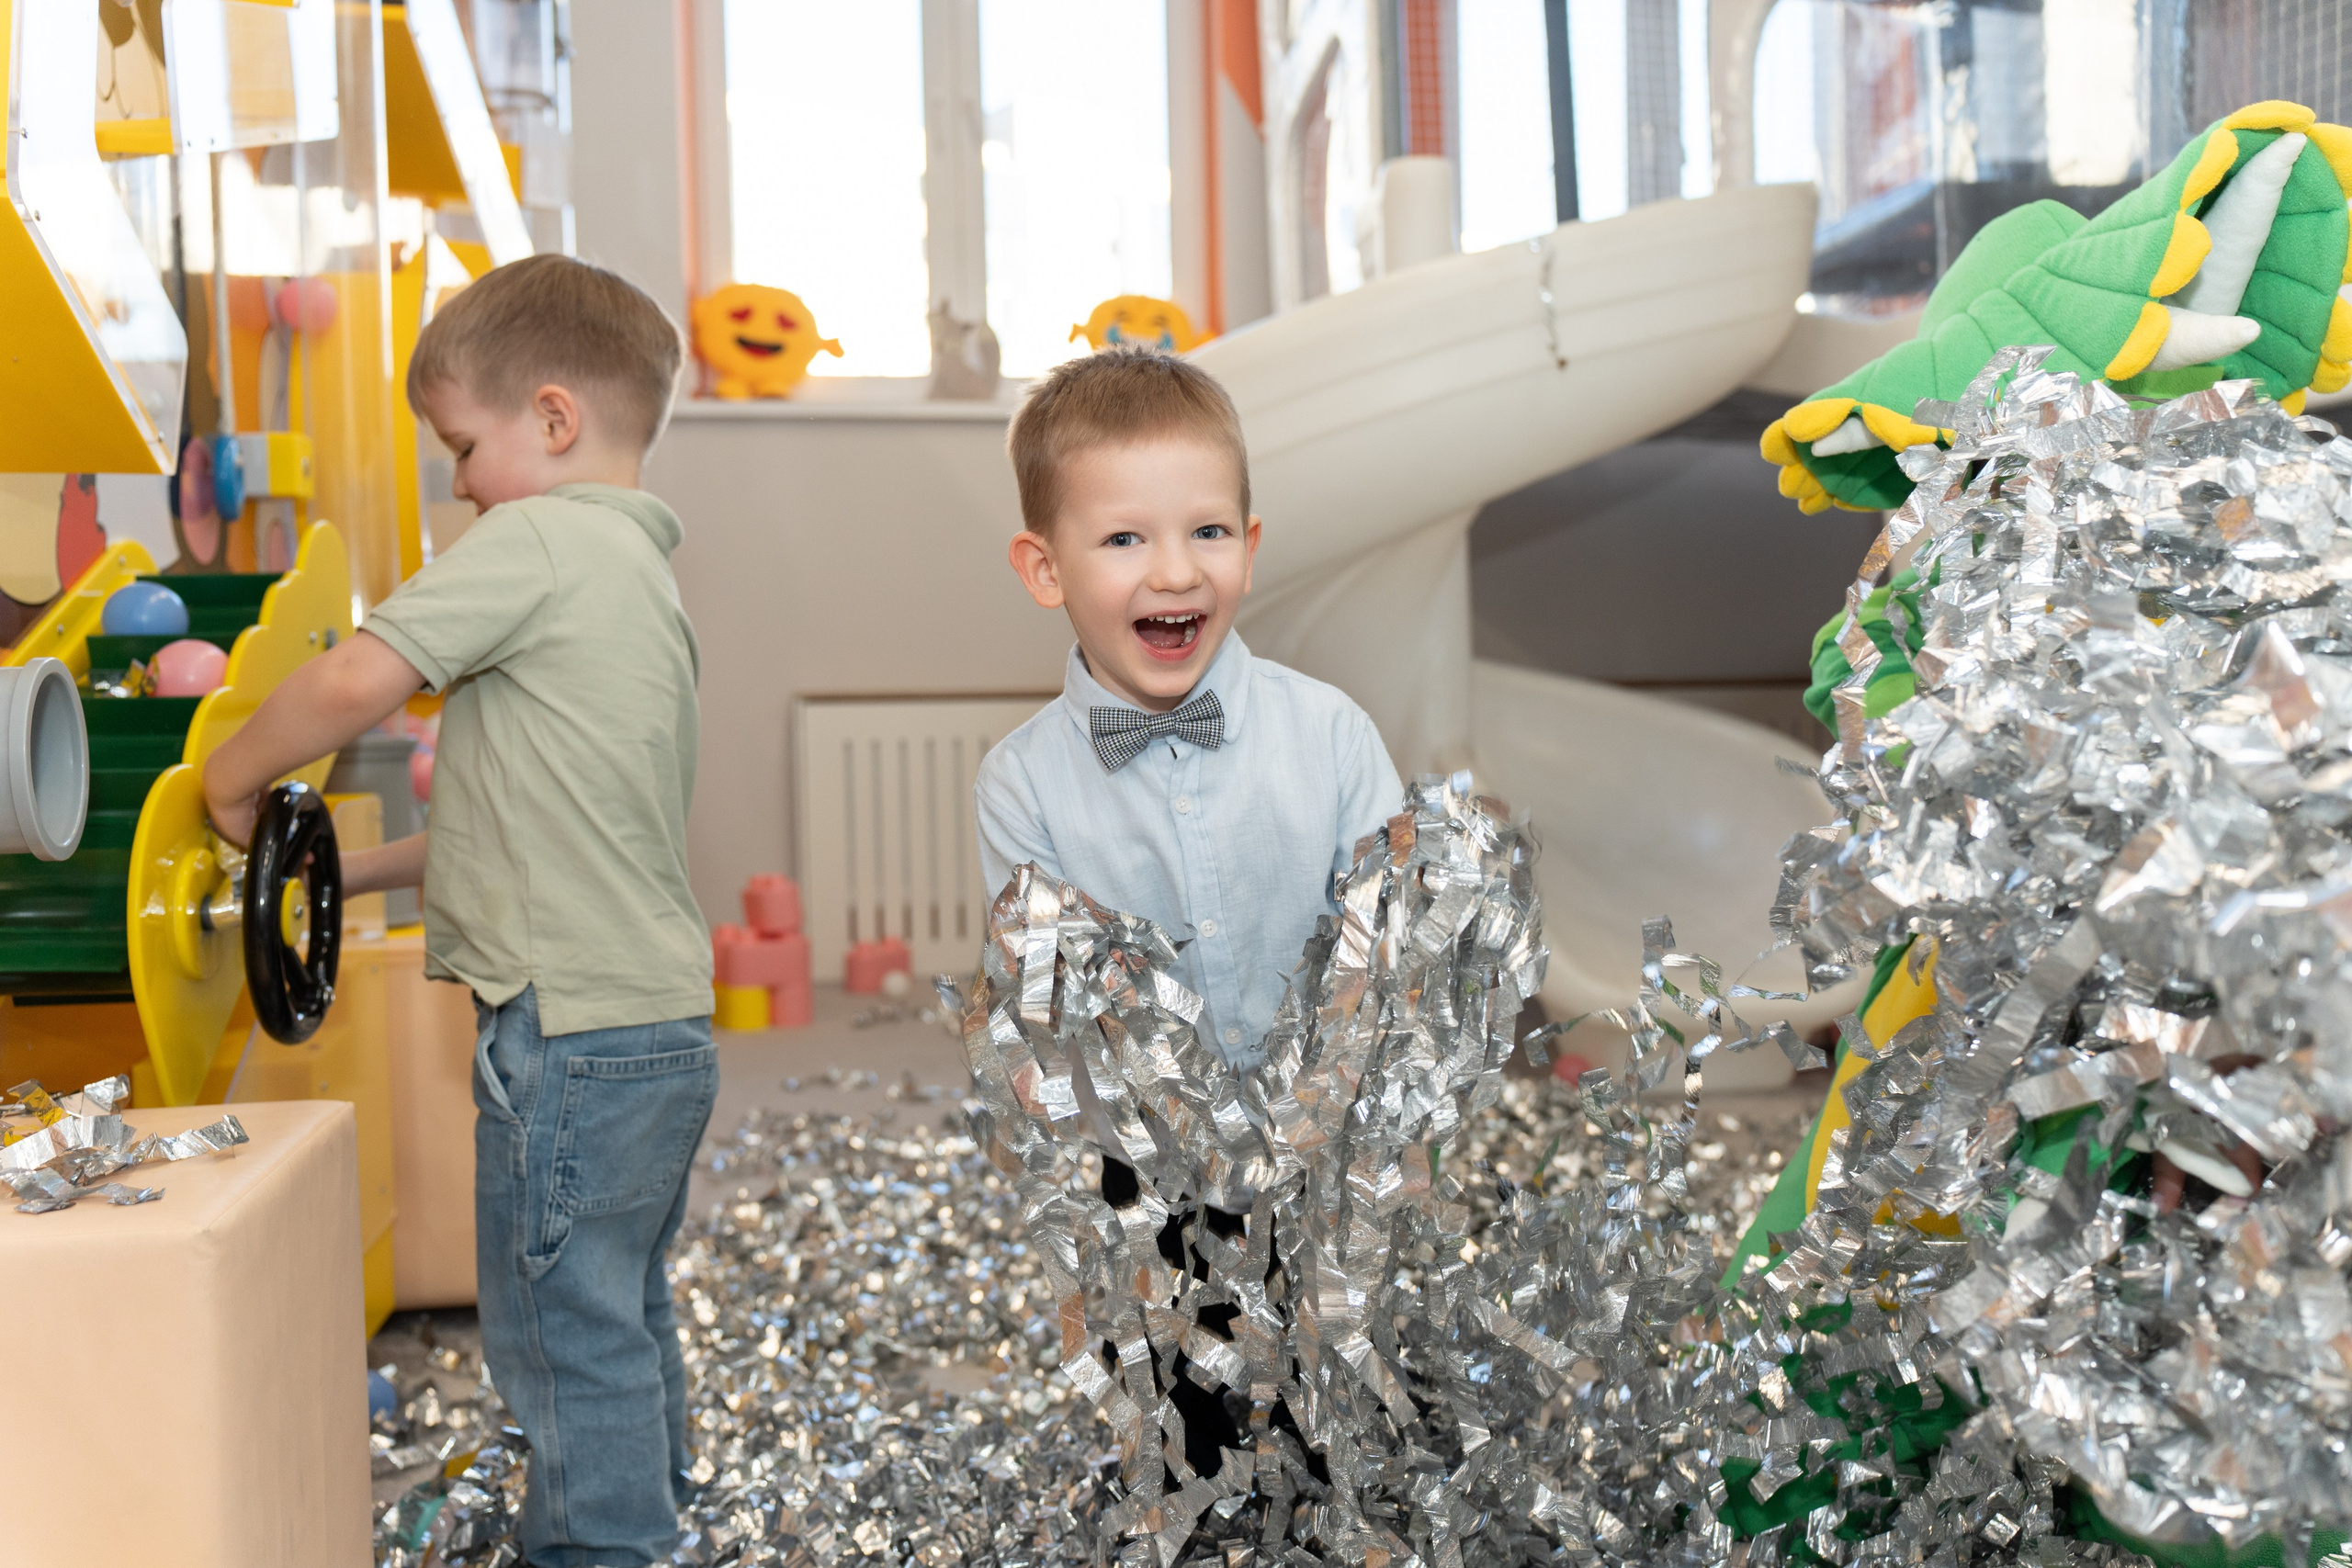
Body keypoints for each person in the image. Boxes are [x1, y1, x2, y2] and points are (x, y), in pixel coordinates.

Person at [202, 254, 713, 1568]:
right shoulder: (642, 584)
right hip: (658, 1023)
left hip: (570, 1039)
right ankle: (655, 1511)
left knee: (557, 1329)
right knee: (619, 1303)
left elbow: (354, 677)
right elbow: (513, 832)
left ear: (551, 421)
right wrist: (338, 869)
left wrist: (234, 773)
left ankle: (607, 1549)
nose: (461, 483)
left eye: (463, 447)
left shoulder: (534, 538)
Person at [975, 344, 1402, 1067]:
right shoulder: (1020, 785)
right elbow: (1051, 1004)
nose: (1177, 572)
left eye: (1209, 532)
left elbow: (1389, 953)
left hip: (1327, 1139)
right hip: (1134, 1154)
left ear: (1249, 546)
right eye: (1124, 538)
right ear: (1046, 569)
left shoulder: (1333, 735)